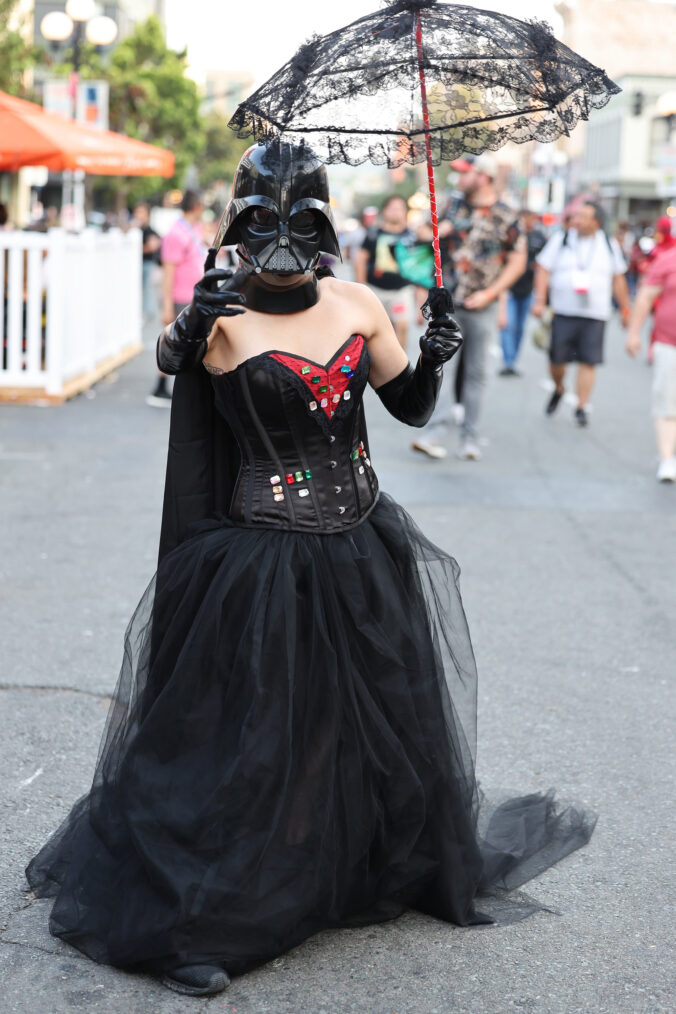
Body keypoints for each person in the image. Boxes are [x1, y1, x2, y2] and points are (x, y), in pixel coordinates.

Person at [27, 141, 595, 999]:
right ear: (237, 224)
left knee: (346, 725)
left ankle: (327, 862)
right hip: (263, 561)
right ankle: (210, 910)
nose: (283, 237)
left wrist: (434, 352)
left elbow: (405, 405)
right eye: (263, 219)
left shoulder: (360, 303)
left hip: (362, 546)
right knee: (254, 738)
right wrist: (186, 323)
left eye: (303, 218)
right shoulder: (219, 315)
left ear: (328, 225)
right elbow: (172, 362)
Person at [412, 153, 527, 461]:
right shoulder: (450, 205)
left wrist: (491, 294)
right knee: (442, 367)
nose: (459, 178)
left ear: (483, 176)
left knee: (476, 373)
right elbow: (422, 232)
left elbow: (517, 260)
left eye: (465, 173)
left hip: (482, 304)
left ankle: (470, 438)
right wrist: (440, 231)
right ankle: (435, 432)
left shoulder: (506, 214)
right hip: (447, 303)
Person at [533, 201, 630, 427]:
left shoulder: (608, 243)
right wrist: (539, 300)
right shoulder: (562, 239)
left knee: (588, 361)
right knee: (557, 359)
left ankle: (581, 405)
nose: (576, 220)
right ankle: (559, 388)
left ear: (596, 222)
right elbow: (543, 269)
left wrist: (625, 309)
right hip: (564, 311)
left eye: (583, 217)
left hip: (595, 313)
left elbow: (618, 278)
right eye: (576, 216)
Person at [146, 190, 206, 407]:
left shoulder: (190, 230)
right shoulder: (176, 233)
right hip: (180, 296)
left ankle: (165, 387)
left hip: (190, 296)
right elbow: (168, 272)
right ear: (197, 207)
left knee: (184, 344)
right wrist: (167, 306)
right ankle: (160, 387)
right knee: (176, 343)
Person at [625, 244, 676, 482]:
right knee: (667, 401)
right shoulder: (667, 260)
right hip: (669, 342)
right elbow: (646, 296)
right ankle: (667, 459)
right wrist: (634, 333)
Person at [354, 194, 418, 350]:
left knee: (402, 326)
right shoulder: (374, 234)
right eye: (392, 208)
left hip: (401, 291)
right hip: (376, 290)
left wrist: (421, 300)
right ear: (385, 211)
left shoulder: (412, 236)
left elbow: (418, 267)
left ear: (405, 212)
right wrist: (362, 288)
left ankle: (399, 365)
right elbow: (361, 259)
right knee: (374, 329)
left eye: (400, 208)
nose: (396, 212)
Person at [498, 210, 546, 376]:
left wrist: (541, 296)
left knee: (520, 327)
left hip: (527, 289)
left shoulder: (539, 236)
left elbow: (544, 265)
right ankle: (508, 361)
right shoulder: (512, 234)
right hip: (510, 288)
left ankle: (513, 359)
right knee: (507, 325)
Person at [132, 201, 161, 321]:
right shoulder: (134, 229)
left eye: (141, 212)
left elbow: (152, 246)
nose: (138, 215)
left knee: (147, 288)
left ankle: (146, 312)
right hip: (137, 263)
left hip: (147, 264)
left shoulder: (150, 231)